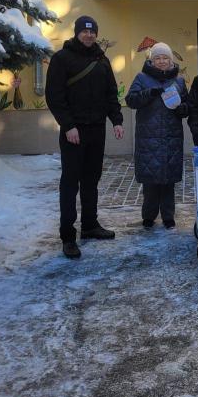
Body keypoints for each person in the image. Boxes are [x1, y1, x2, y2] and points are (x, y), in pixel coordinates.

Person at [45, 15, 124, 259]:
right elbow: (54, 96)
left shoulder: (101, 59)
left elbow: (111, 93)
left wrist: (117, 120)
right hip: (73, 131)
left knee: (91, 179)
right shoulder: (62, 59)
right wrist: (68, 126)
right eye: (85, 31)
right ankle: (68, 236)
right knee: (70, 182)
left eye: (93, 31)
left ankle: (89, 226)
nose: (89, 35)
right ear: (77, 32)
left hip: (96, 128)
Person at [125, 42, 188, 231]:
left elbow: (188, 107)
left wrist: (180, 108)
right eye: (158, 58)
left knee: (168, 181)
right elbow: (131, 100)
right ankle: (148, 216)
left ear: (171, 60)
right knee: (150, 182)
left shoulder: (179, 81)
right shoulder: (142, 78)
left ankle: (169, 216)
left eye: (165, 58)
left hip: (171, 138)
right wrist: (149, 93)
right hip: (148, 138)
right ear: (151, 61)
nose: (162, 61)